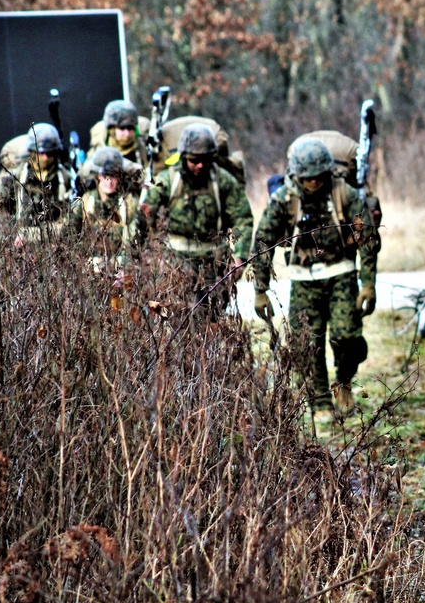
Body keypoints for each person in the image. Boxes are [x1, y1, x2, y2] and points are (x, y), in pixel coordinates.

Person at [241, 137, 380, 418]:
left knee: (347, 337)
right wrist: (260, 289)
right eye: (308, 178)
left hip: (341, 273)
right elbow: (263, 242)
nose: (315, 182)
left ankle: (343, 383)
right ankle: (319, 401)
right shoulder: (285, 199)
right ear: (297, 175)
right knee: (306, 344)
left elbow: (367, 238)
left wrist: (367, 284)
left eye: (319, 177)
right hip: (303, 279)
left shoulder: (345, 194)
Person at [136, 123, 252, 314]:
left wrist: (239, 256)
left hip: (214, 265)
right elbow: (143, 220)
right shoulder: (167, 181)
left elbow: (243, 218)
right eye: (194, 160)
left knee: (211, 321)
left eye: (205, 160)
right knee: (178, 319)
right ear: (183, 157)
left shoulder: (223, 181)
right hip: (175, 264)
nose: (200, 165)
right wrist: (138, 259)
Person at [0, 122, 75, 247]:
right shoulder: (17, 176)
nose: (45, 158)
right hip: (18, 243)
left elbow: (69, 222)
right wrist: (9, 232)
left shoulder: (65, 179)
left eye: (49, 153)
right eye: (40, 153)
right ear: (32, 152)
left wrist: (31, 235)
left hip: (53, 243)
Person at [76, 147, 141, 268]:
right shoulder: (85, 201)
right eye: (105, 175)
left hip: (121, 267)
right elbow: (71, 237)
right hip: (89, 269)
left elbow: (136, 242)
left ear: (119, 177)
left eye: (113, 176)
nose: (109, 181)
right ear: (98, 176)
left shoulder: (129, 203)